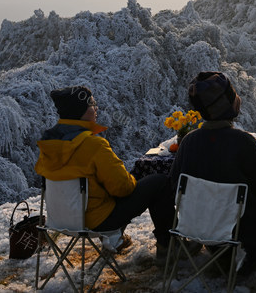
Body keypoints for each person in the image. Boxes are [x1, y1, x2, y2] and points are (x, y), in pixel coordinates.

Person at [35, 85, 174, 256]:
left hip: (59, 219)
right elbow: (123, 188)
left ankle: (122, 241)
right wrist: (131, 179)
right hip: (97, 221)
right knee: (158, 182)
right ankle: (169, 247)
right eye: (92, 104)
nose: (96, 108)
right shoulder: (93, 145)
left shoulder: (48, 144)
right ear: (81, 110)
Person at [170, 71, 256, 278]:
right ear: (230, 105)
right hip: (236, 230)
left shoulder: (189, 142)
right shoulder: (244, 142)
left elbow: (175, 185)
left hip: (197, 227)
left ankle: (216, 249)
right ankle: (249, 250)